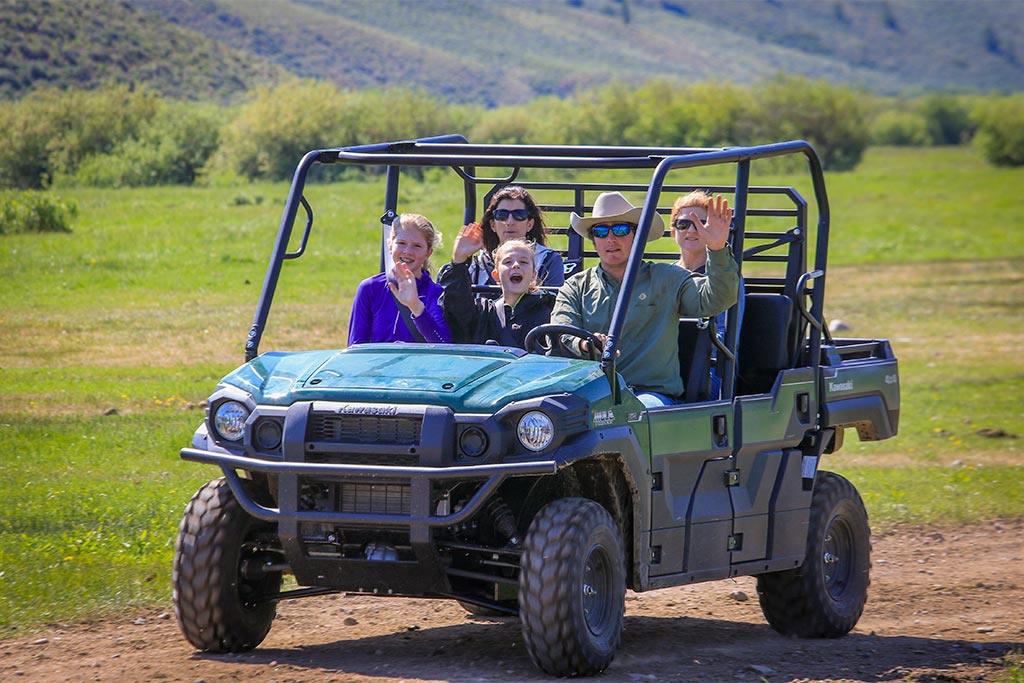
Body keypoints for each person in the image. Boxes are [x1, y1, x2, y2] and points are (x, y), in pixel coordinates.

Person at [551, 191, 739, 408]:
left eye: (620, 230)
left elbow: (716, 300)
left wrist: (716, 249)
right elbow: (560, 330)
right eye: (601, 231)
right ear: (593, 240)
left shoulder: (668, 278)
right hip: (592, 394)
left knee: (639, 414)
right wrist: (584, 344)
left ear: (637, 235)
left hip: (649, 396)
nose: (611, 239)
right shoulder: (576, 286)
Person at [671, 190, 745, 398]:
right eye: (683, 224)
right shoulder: (664, 275)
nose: (691, 230)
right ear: (672, 231)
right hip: (662, 366)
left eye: (701, 224)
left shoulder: (726, 280)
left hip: (708, 370)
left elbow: (724, 338)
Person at [438, 224, 553, 348]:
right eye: (508, 262)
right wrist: (458, 261)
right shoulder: (484, 312)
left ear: (533, 275)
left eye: (523, 262)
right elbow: (456, 308)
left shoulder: (548, 310)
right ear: (496, 275)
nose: (516, 265)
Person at [438, 185, 563, 297]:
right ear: (493, 225)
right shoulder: (479, 264)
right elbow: (453, 309)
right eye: (501, 215)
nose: (509, 222)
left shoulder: (548, 260)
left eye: (519, 215)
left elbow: (552, 307)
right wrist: (458, 259)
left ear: (530, 224)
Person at [348, 213, 451, 344]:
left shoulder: (437, 295)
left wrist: (416, 307)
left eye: (417, 246)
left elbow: (443, 346)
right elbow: (355, 348)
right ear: (390, 246)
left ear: (428, 252)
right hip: (379, 364)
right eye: (401, 243)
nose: (408, 251)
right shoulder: (370, 289)